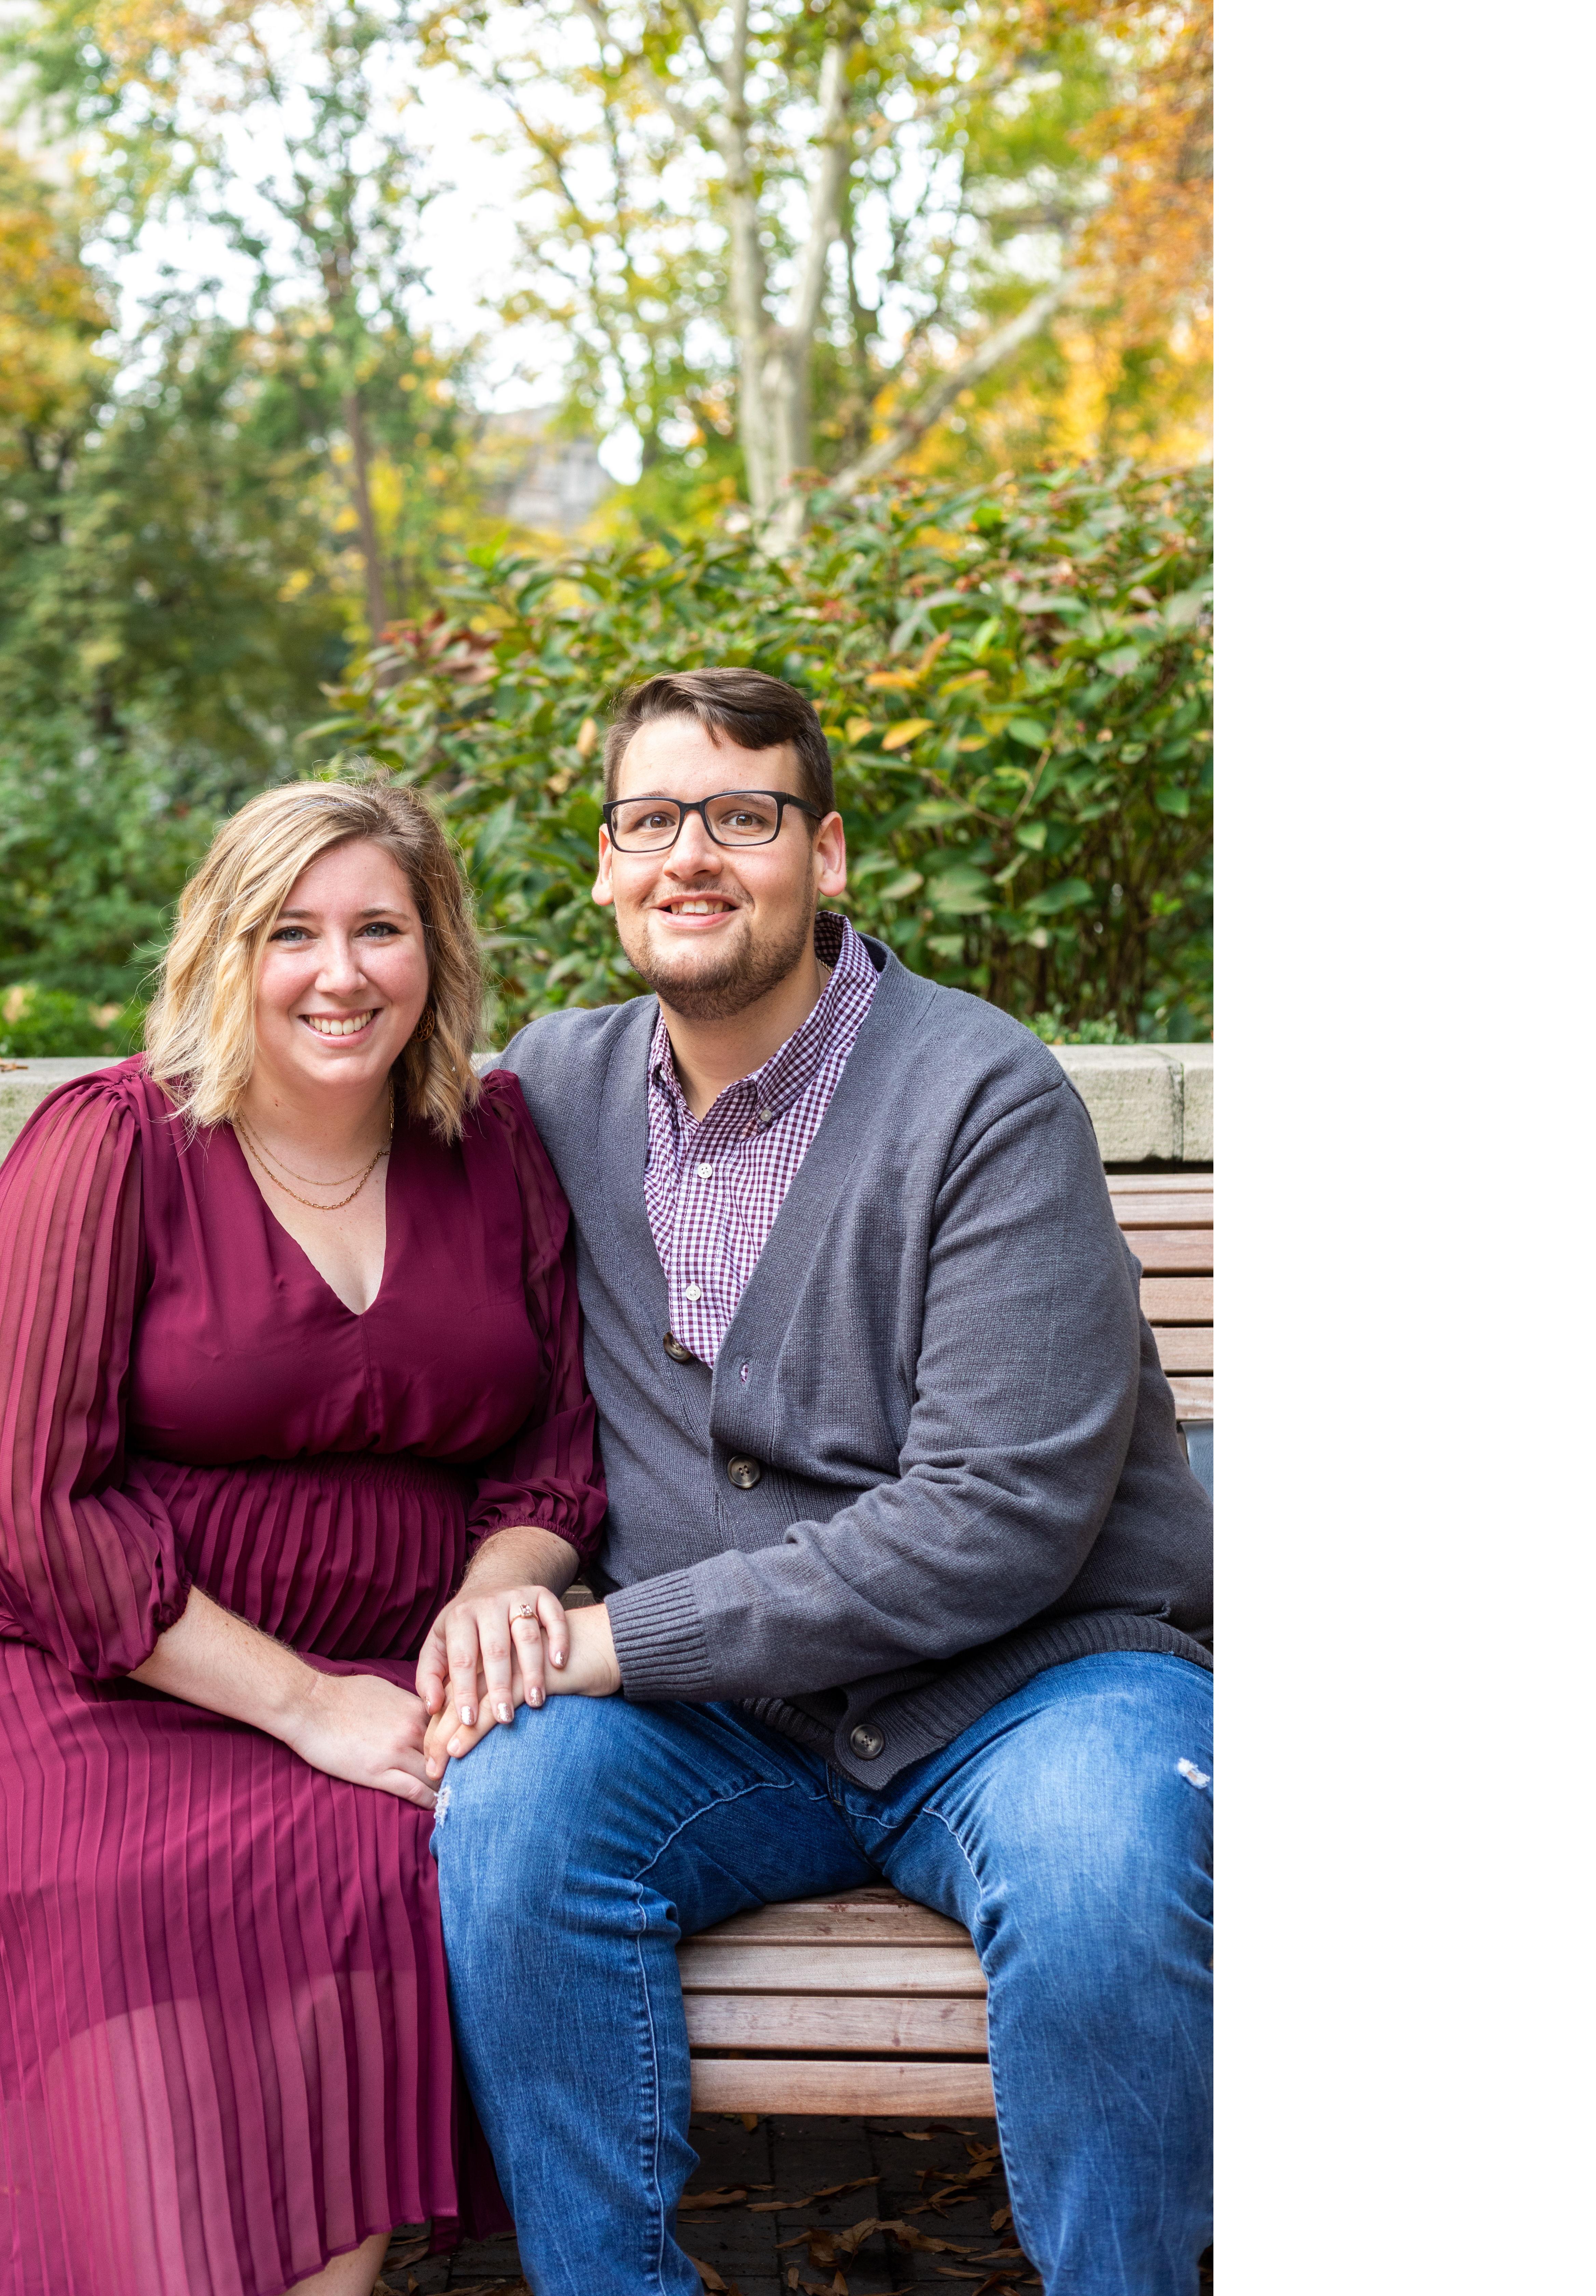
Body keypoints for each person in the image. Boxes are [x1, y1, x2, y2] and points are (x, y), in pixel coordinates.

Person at [0, 778, 607, 2296]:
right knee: (130, 1887)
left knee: (383, 1864)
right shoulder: (113, 1143)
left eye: (381, 929)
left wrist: (494, 1589)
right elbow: (30, 1505)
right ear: (225, 948)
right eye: (294, 932)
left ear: (437, 950)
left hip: (376, 1665)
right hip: (58, 1657)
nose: (340, 974)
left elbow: (551, 1460)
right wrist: (309, 1705)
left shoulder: (494, 1140)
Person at [424, 669, 1214, 2296]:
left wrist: (603, 1642)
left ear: (828, 854)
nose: (691, 857)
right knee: (510, 1819)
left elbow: (997, 1516)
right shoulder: (551, 1094)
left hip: (1029, 1689)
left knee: (1110, 1867)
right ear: (603, 866)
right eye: (652, 820)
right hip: (733, 1735)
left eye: (744, 816)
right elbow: (326, 1170)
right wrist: (506, 1581)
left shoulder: (987, 1098)